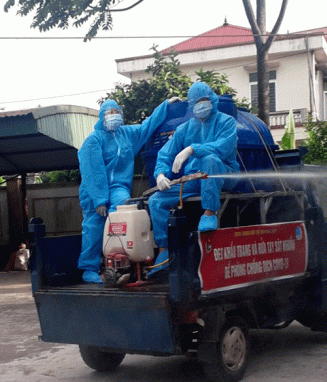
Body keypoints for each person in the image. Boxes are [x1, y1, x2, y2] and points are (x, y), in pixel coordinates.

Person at [77, 98, 175, 283]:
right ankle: (89, 268)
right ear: (102, 116)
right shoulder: (94, 139)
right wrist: (99, 199)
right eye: (109, 112)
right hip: (94, 189)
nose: (114, 115)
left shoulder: (127, 134)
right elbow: (93, 171)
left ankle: (117, 264)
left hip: (118, 187)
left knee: (122, 215)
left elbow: (147, 126)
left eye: (116, 111)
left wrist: (165, 105)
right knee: (94, 228)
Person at [148, 82, 239, 277]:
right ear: (190, 105)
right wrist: (161, 175)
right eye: (196, 102)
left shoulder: (227, 122)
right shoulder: (184, 129)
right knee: (156, 201)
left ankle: (209, 213)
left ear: (212, 100)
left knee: (210, 159)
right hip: (195, 180)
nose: (201, 105)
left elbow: (222, 148)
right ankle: (163, 252)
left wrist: (192, 149)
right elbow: (165, 154)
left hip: (223, 175)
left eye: (204, 100)